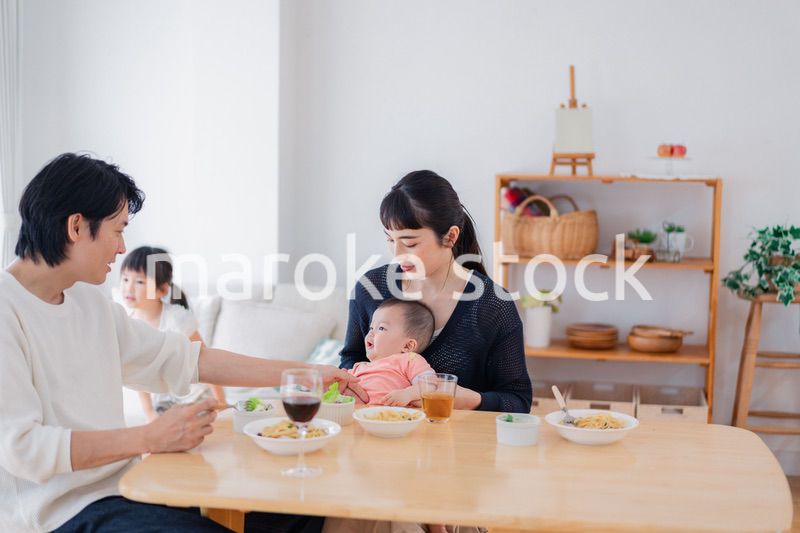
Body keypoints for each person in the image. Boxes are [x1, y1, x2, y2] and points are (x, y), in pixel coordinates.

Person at [0, 153, 366, 533]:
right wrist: (147, 437)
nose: (122, 247)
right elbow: (23, 449)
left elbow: (190, 360)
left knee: (299, 506)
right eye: (117, 229)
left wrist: (307, 374)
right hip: (60, 513)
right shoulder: (6, 311)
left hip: (127, 489)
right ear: (77, 226)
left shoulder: (89, 303)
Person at [341, 170, 532, 414]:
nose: (397, 253)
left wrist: (466, 398)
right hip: (379, 435)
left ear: (451, 236)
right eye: (390, 239)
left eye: (410, 243)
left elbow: (518, 401)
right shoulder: (371, 288)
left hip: (457, 444)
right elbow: (350, 359)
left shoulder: (492, 305)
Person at [119, 246, 226, 421]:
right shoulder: (127, 323)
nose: (128, 288)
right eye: (125, 279)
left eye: (139, 282)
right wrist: (150, 414)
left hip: (195, 396)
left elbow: (206, 359)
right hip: (164, 401)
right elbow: (138, 377)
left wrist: (221, 401)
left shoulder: (177, 319)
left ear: (161, 290)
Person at [349, 298, 436, 406]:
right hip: (359, 417)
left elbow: (431, 384)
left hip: (393, 417)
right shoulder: (359, 367)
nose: (371, 333)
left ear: (408, 346)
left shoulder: (409, 360)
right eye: (371, 328)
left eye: (381, 328)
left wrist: (407, 394)